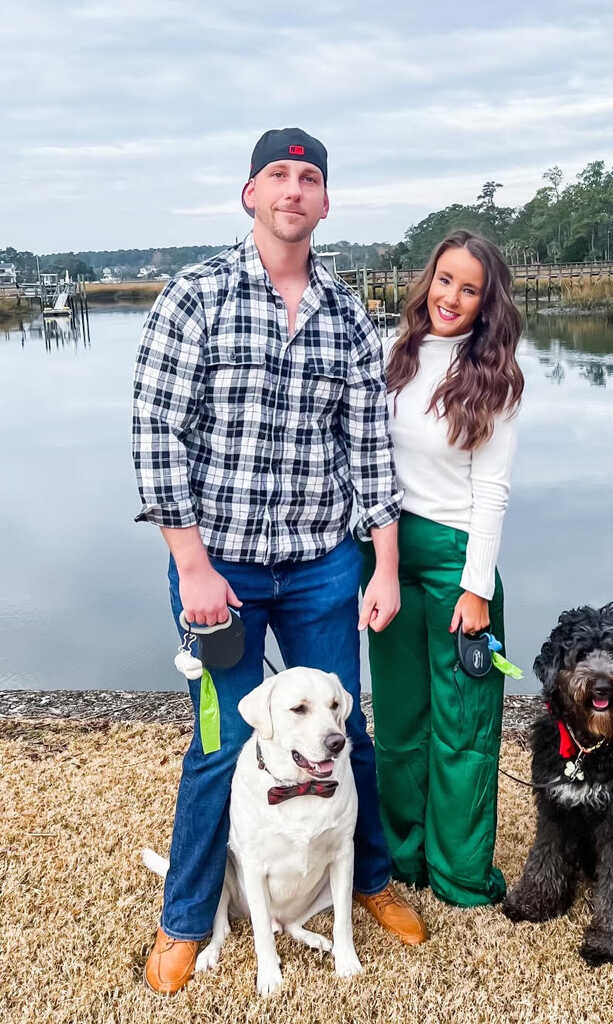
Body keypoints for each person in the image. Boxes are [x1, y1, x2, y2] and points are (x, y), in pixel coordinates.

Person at [133, 128, 427, 995]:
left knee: (345, 732)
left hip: (321, 565)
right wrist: (189, 562)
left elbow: (366, 446)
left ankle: (364, 879)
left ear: (325, 202)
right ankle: (186, 920)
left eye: (309, 178)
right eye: (278, 176)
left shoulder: (344, 312)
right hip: (217, 565)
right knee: (222, 743)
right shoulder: (193, 297)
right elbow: (157, 435)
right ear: (250, 195)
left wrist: (381, 565)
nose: (294, 191)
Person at [360, 230, 524, 907]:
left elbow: (492, 490)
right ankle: (406, 859)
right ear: (426, 279)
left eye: (469, 288)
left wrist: (476, 589)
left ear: (487, 303)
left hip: (460, 564)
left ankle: (460, 874)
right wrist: (377, 564)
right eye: (444, 280)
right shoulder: (391, 355)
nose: (451, 297)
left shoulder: (495, 378)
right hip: (390, 558)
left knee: (463, 726)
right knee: (399, 719)